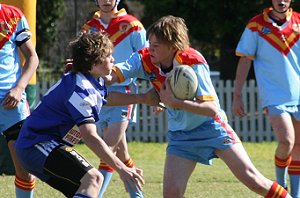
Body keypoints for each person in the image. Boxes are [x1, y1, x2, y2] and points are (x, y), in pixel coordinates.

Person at [103, 15, 292, 198]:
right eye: (149, 44)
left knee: (254, 181)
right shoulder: (144, 59)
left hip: (212, 127)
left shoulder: (193, 62)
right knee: (171, 194)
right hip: (181, 135)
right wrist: (89, 68)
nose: (149, 49)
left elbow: (210, 108)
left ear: (173, 46)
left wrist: (174, 102)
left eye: (156, 46)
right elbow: (111, 77)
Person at [14, 32, 159, 198]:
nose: (113, 59)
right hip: (36, 144)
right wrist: (122, 169)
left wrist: (143, 98)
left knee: (88, 189)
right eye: (108, 55)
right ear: (94, 62)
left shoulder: (91, 80)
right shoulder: (80, 89)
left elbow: (106, 98)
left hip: (44, 145)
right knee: (94, 178)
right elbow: (90, 136)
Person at [80, 0, 148, 197]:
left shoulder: (133, 25)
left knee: (107, 150)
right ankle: (138, 196)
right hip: (98, 94)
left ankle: (94, 195)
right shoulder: (89, 28)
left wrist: (156, 89)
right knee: (121, 154)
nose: (107, 1)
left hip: (124, 92)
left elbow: (148, 58)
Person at [233, 0, 300, 197]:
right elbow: (244, 59)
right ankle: (280, 184)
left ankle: (295, 195)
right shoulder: (256, 25)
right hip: (274, 95)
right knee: (287, 141)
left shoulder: (298, 22)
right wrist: (237, 95)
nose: (281, 1)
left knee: (298, 146)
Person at [0, 3, 39, 198]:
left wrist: (19, 88)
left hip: (11, 102)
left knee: (24, 165)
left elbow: (32, 58)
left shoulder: (12, 15)